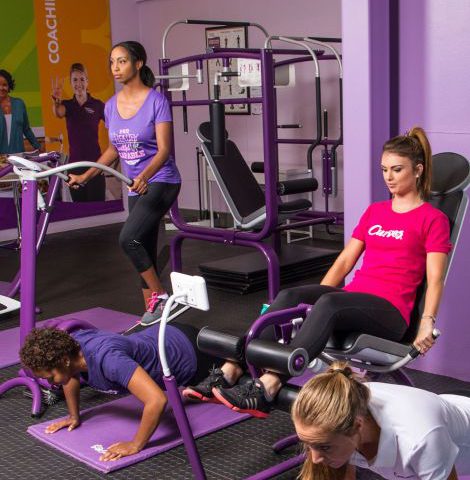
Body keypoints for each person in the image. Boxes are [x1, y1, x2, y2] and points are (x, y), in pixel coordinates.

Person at [183, 127, 451, 418]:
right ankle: (230, 369)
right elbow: (344, 262)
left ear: (418, 170)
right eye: (384, 169)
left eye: (397, 169)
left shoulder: (433, 219)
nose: (389, 177)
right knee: (292, 295)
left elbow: (435, 278)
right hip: (352, 301)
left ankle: (269, 384)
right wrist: (311, 304)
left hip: (390, 312)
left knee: (330, 303)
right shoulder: (376, 211)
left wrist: (427, 322)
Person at [67, 41, 181, 324]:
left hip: (161, 180)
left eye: (122, 61)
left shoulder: (156, 101)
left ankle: (162, 297)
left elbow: (165, 150)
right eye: (112, 62)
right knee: (144, 247)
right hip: (134, 184)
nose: (115, 68)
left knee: (128, 238)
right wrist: (86, 176)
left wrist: (144, 176)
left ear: (138, 63)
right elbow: (112, 150)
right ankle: (153, 316)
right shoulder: (110, 106)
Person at [19, 324, 224, 461]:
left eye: (50, 377)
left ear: (64, 361)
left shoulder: (109, 360)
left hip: (193, 356)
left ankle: (233, 367)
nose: (50, 383)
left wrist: (135, 445)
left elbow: (157, 400)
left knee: (235, 377)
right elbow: (70, 376)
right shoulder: (71, 351)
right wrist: (74, 416)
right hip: (165, 333)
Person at [291, 361, 470, 480]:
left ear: (357, 426)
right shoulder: (341, 412)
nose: (314, 458)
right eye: (308, 444)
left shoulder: (421, 438)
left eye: (324, 447)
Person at [51, 63, 106, 202]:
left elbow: (113, 123)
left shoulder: (98, 105)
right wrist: (56, 101)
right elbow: (58, 113)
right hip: (75, 166)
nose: (79, 83)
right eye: (75, 80)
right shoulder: (67, 105)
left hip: (95, 166)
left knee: (98, 208)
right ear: (71, 83)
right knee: (80, 209)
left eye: (82, 79)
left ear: (87, 81)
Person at [0, 69, 40, 154]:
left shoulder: (19, 104)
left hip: (18, 156)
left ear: (9, 86)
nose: (1, 88)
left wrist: (38, 147)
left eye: (4, 85)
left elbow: (26, 129)